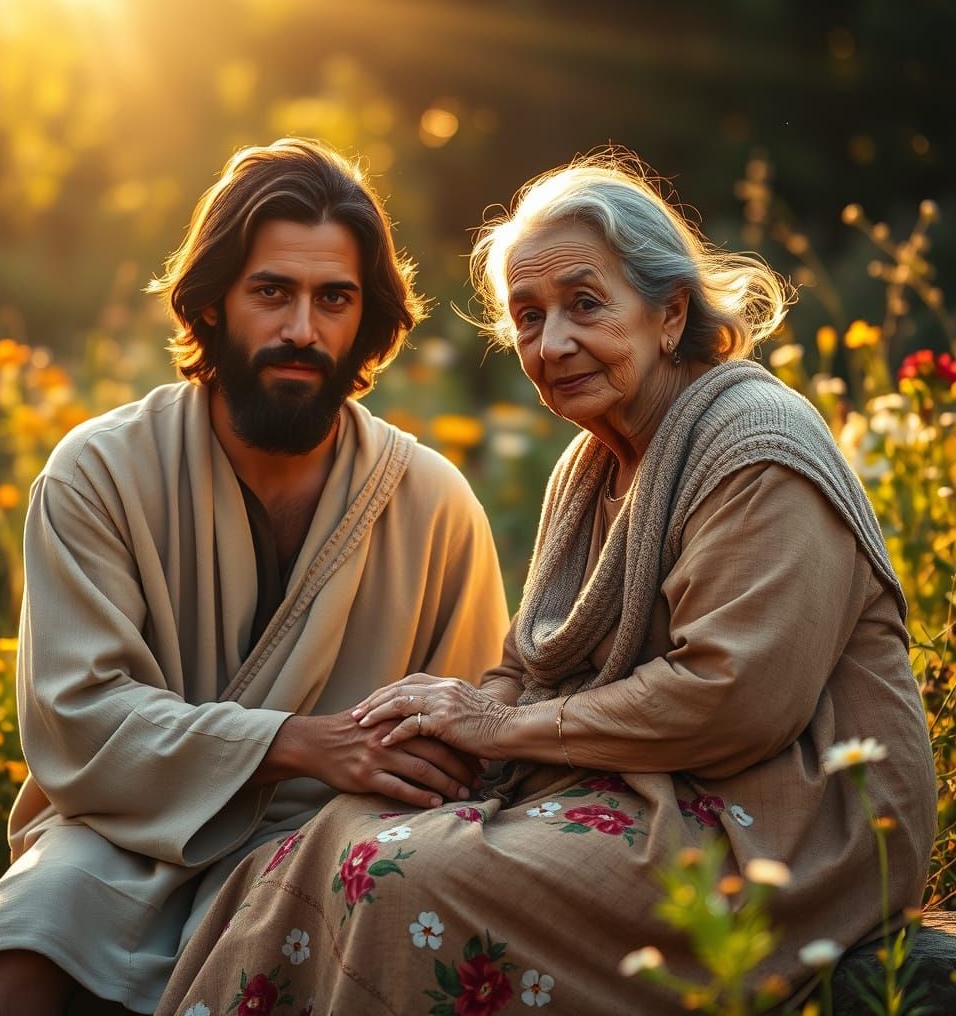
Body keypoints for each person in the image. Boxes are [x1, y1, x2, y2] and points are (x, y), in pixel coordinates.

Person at [152, 151, 937, 1016]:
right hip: (635, 787)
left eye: (584, 305)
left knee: (404, 879)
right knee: (331, 830)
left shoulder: (755, 448)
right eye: (528, 317)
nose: (551, 343)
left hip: (778, 824)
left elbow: (735, 698)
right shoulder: (592, 460)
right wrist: (449, 724)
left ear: (670, 313)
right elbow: (531, 660)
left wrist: (505, 728)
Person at [0, 139, 510, 1016]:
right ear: (212, 303)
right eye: (272, 291)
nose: (302, 331)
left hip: (334, 837)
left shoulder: (433, 503)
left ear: (368, 320)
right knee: (30, 937)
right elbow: (78, 714)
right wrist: (296, 743)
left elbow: (470, 730)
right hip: (128, 833)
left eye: (335, 299)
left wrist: (377, 771)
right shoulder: (99, 473)